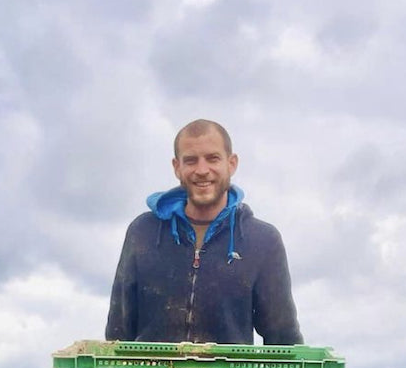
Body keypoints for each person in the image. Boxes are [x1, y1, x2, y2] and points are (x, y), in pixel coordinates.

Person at [105, 119, 303, 345]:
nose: (201, 170)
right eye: (190, 161)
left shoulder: (263, 241)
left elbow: (283, 338)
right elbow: (118, 332)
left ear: (232, 163)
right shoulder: (142, 232)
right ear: (177, 167)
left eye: (212, 158)